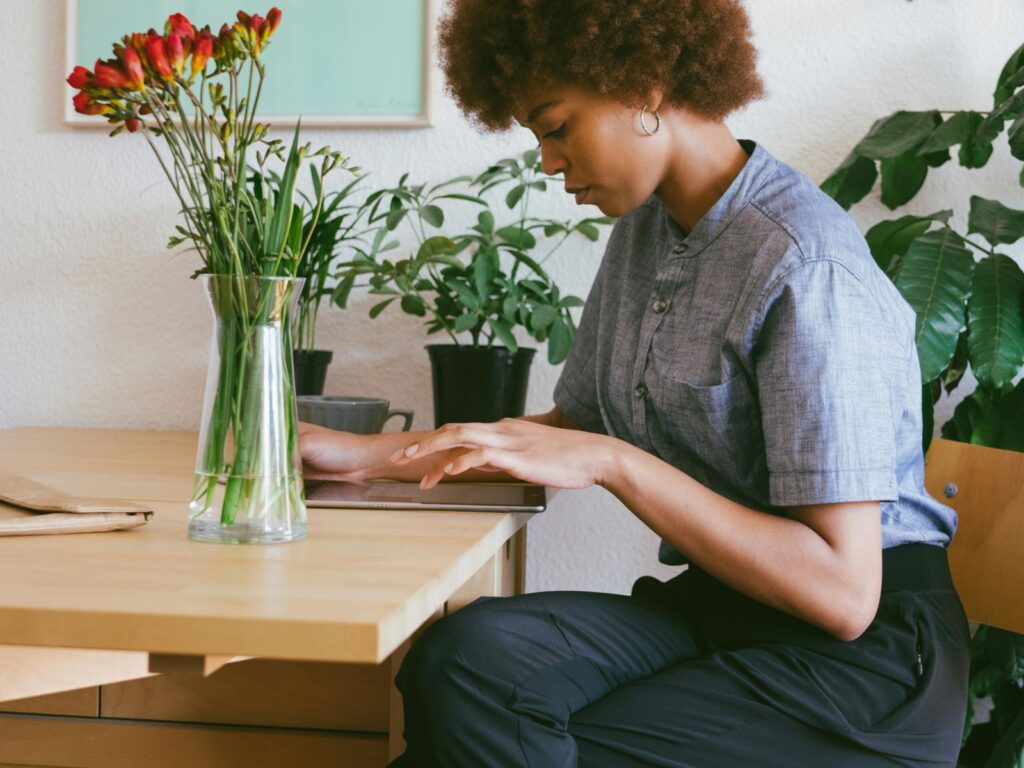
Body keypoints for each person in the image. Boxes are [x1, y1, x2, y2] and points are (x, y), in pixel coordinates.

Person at [299, 0, 971, 765]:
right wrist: (367, 458)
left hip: (865, 669)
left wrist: (614, 461)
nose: (548, 162)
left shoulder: (804, 265)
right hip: (722, 611)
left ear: (645, 86)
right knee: (463, 660)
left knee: (504, 733)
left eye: (556, 127)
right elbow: (561, 436)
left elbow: (843, 596)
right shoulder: (645, 234)